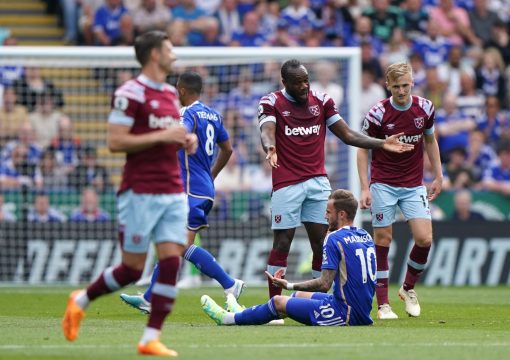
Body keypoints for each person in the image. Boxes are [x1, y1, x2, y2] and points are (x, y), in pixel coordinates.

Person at [61, 30, 198, 357]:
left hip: (172, 189)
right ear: (154, 54)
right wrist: (165, 135)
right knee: (132, 270)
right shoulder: (128, 93)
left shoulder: (168, 93)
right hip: (140, 191)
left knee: (171, 260)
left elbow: (168, 137)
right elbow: (116, 141)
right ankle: (80, 300)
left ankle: (150, 337)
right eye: (169, 49)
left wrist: (185, 141)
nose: (174, 55)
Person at [257, 59, 413, 321]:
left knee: (322, 242)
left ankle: (322, 299)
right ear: (285, 83)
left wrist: (381, 144)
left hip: (318, 182)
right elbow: (267, 130)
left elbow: (347, 134)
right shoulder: (271, 102)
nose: (304, 86)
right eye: (298, 82)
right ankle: (275, 305)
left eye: (306, 80)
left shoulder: (322, 100)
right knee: (282, 242)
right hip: (286, 183)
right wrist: (269, 147)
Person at [120, 70, 245, 313]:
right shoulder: (215, 116)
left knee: (174, 245)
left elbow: (181, 134)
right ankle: (150, 298)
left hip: (189, 189)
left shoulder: (187, 113)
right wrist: (211, 174)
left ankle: (230, 284)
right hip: (204, 189)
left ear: (182, 90)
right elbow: (228, 150)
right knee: (175, 245)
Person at [200, 189, 376, 327]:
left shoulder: (334, 238)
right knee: (298, 295)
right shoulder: (365, 236)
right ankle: (244, 314)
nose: (325, 216)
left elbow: (324, 284)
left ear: (342, 214)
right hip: (360, 309)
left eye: (329, 212)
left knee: (278, 301)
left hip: (345, 313)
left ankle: (229, 318)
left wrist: (288, 284)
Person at [357, 61, 443, 319]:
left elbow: (430, 140)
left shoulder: (425, 108)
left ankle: (408, 288)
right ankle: (383, 304)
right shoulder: (378, 114)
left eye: (405, 85)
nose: (402, 91)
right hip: (383, 183)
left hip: (413, 184)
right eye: (396, 86)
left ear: (412, 82)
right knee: (383, 239)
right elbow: (362, 148)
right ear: (388, 86)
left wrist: (438, 175)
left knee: (424, 239)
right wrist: (364, 187)